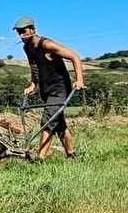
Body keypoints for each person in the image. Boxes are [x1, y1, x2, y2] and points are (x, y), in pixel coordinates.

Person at [14, 16, 85, 159]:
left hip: (59, 89)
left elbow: (74, 56)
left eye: (24, 31)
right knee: (58, 123)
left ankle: (40, 158)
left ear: (33, 29)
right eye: (19, 32)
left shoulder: (47, 44)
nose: (22, 35)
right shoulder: (27, 48)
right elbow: (34, 67)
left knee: (47, 119)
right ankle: (71, 154)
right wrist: (33, 84)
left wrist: (79, 80)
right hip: (46, 90)